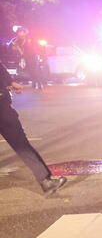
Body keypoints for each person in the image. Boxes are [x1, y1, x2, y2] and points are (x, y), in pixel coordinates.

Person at [0, 62, 66, 195]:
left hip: (3, 105)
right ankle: (45, 180)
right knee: (21, 143)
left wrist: (10, 82)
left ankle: (45, 180)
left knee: (21, 143)